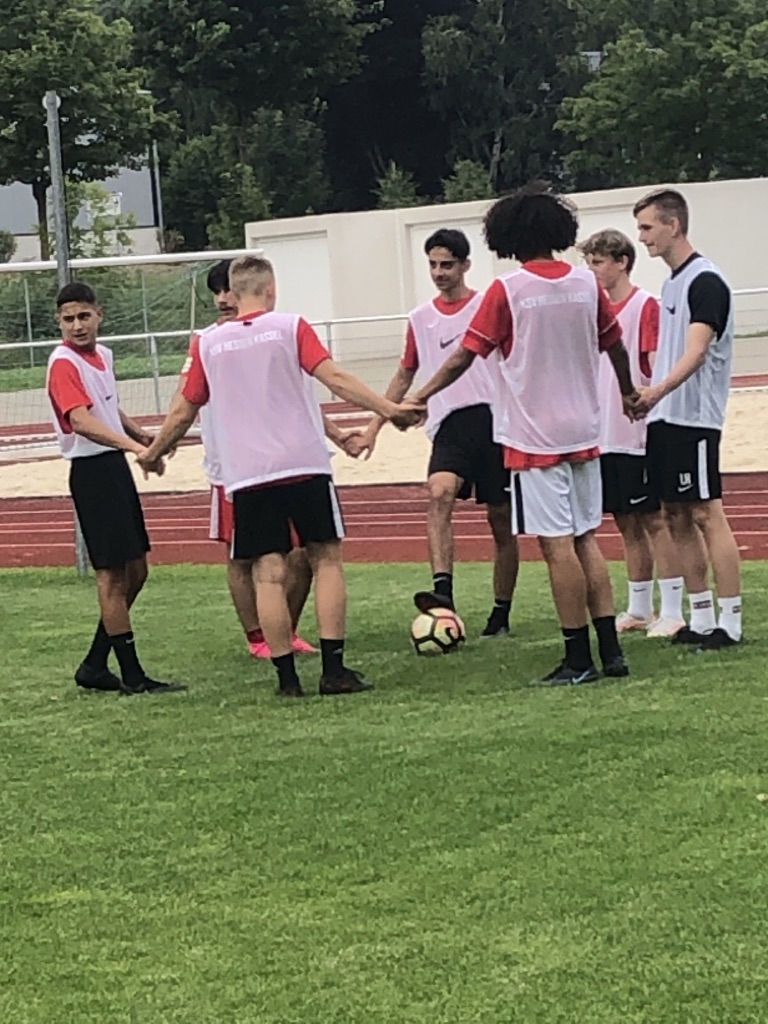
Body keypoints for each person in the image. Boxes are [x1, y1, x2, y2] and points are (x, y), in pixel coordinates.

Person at [139, 256, 423, 698]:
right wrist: (389, 410)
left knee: (267, 573)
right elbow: (334, 378)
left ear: (233, 293)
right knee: (326, 560)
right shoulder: (291, 327)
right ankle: (333, 670)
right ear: (270, 290)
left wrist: (154, 453)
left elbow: (183, 410)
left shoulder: (208, 344)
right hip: (303, 463)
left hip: (248, 473)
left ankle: (286, 679)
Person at [410, 185, 638, 685]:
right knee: (587, 539)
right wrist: (627, 392)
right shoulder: (586, 283)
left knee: (557, 546)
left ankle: (577, 657)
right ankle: (611, 651)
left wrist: (421, 395)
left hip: (535, 437)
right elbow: (616, 347)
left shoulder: (508, 290)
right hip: (585, 429)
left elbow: (465, 355)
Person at [175, 260, 356, 659]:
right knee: (248, 559)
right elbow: (184, 402)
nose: (223, 298)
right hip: (233, 468)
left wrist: (336, 434)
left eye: (228, 289)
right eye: (217, 291)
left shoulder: (278, 331)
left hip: (281, 463)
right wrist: (158, 444)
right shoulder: (206, 342)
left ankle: (285, 636)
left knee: (301, 557)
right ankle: (260, 638)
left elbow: (292, 396)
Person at [350, 229, 518, 635]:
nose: (439, 272)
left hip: (494, 421)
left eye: (447, 264)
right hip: (450, 424)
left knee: (500, 519)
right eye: (433, 265)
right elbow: (404, 373)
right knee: (439, 492)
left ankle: (501, 612)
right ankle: (443, 594)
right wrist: (375, 426)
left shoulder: (488, 305)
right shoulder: (420, 319)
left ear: (465, 265)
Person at [46, 282, 186, 696]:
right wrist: (135, 448)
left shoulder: (103, 356)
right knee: (111, 576)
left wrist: (141, 436)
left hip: (113, 467)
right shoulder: (62, 363)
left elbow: (106, 406)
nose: (77, 325)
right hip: (92, 471)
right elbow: (81, 420)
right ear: (59, 322)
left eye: (83, 316)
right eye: (69, 319)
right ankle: (132, 675)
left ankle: (95, 663)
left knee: (137, 570)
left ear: (99, 314)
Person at [632, 188, 742, 649]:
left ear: (673, 225)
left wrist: (656, 390)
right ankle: (699, 617)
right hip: (666, 416)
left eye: (647, 227)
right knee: (674, 513)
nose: (642, 237)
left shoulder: (705, 280)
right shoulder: (672, 283)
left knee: (705, 512)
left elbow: (697, 352)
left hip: (694, 417)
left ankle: (730, 622)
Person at [580, 229, 686, 637]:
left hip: (636, 432)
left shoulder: (645, 306)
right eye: (589, 263)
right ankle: (640, 606)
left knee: (654, 520)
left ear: (622, 262)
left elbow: (657, 366)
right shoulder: (594, 311)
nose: (592, 270)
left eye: (598, 262)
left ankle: (672, 609)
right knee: (626, 521)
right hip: (604, 432)